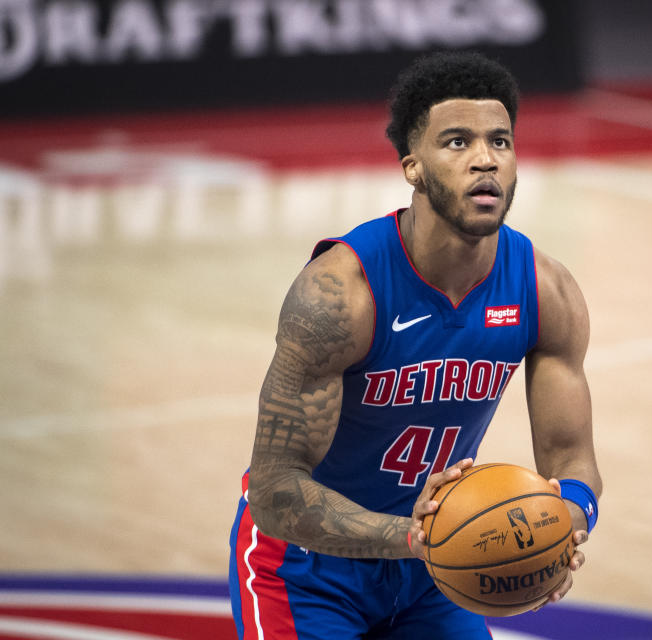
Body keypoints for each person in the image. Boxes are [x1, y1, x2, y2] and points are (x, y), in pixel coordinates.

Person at [228, 50, 602, 639]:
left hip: (433, 569)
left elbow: (571, 458)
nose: (485, 160)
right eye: (457, 142)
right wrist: (415, 538)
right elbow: (275, 492)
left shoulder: (544, 289)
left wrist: (562, 526)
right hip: (307, 568)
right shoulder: (339, 293)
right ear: (413, 167)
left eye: (500, 142)